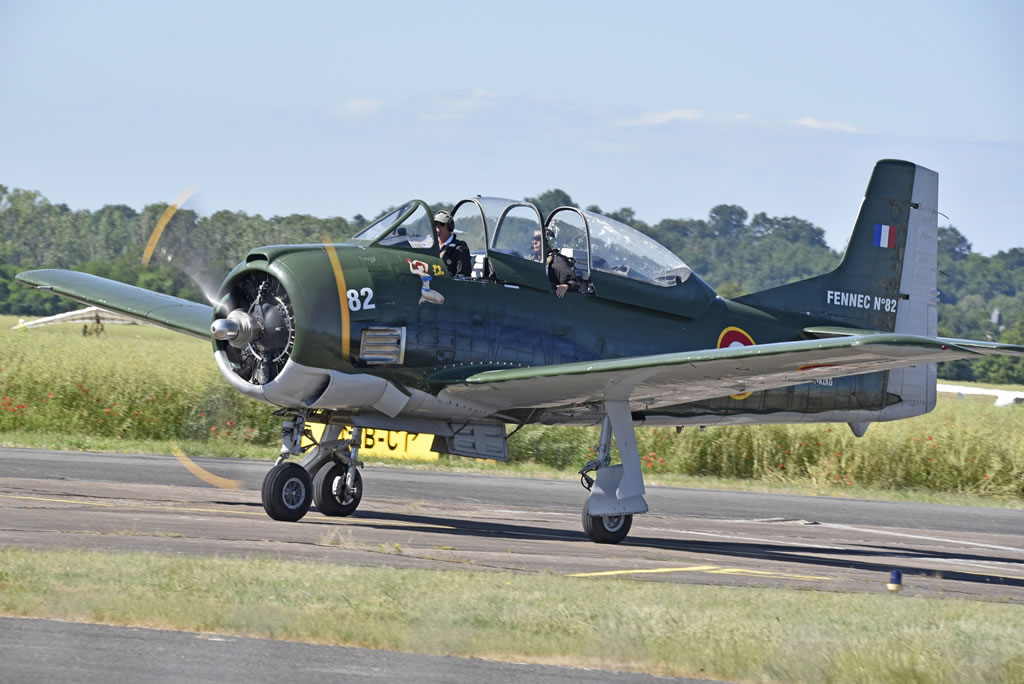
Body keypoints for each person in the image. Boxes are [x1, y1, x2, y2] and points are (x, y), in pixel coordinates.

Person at [433, 210, 471, 277]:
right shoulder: (430, 245)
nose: (437, 227)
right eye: (435, 224)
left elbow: (463, 277)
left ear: (449, 227)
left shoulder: (460, 248)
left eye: (442, 224)